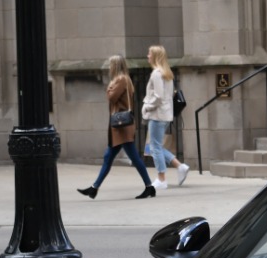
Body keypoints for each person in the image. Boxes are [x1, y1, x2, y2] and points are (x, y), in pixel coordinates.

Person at [79, 55, 155, 199]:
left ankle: (149, 187)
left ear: (115, 66)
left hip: (122, 128)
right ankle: (94, 188)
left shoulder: (121, 80)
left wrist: (109, 87)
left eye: (110, 64)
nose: (108, 67)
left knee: (133, 157)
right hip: (120, 128)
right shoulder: (125, 79)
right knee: (109, 156)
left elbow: (112, 97)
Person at [142, 44, 189, 185]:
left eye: (149, 54)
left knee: (154, 147)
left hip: (157, 115)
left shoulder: (157, 73)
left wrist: (147, 108)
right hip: (165, 115)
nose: (147, 56)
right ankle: (180, 166)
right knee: (156, 146)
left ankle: (161, 179)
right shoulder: (167, 73)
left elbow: (158, 96)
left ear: (155, 56)